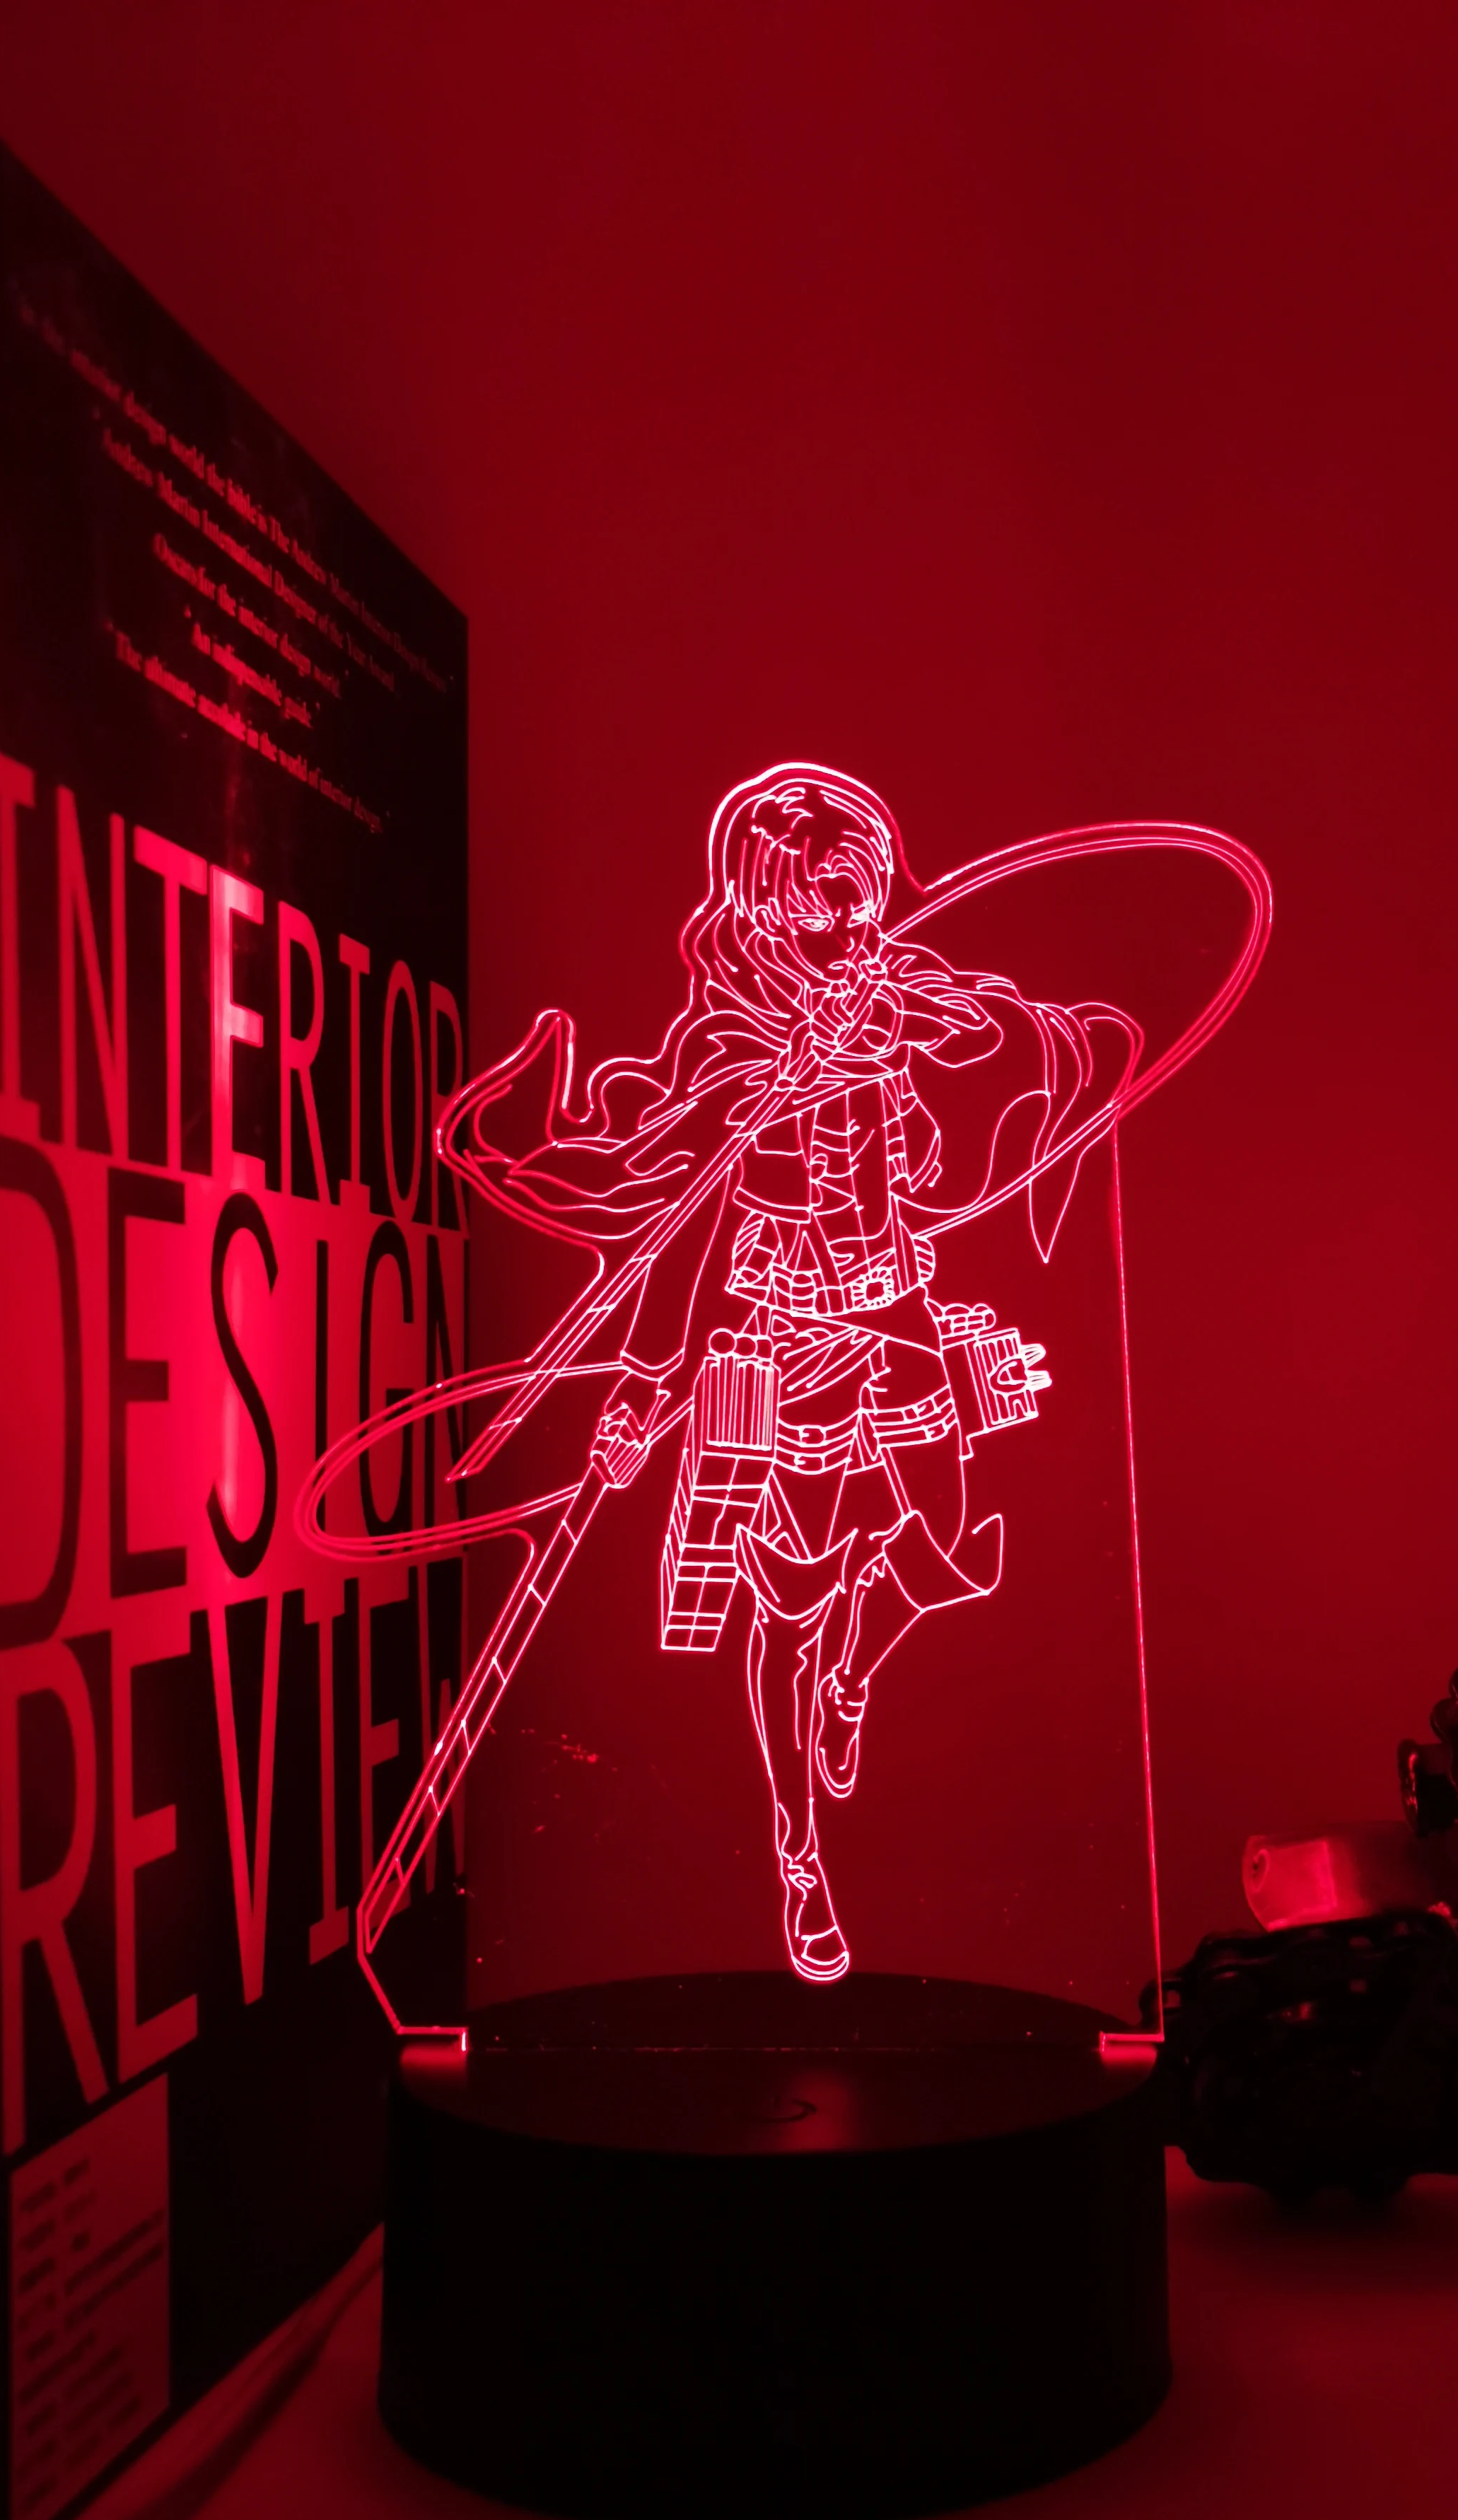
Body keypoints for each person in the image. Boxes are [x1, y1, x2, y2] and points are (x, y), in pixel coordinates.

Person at [446, 765, 1124, 1980]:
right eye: (822, 912)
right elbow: (677, 1232)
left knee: (953, 1550)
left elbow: (977, 1030)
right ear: (762, 913)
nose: (851, 932)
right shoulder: (731, 1046)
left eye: (861, 905)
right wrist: (646, 1395)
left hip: (897, 1311)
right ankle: (798, 1845)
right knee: (791, 1605)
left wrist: (897, 1017)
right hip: (781, 1341)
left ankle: (855, 1673)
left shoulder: (886, 993)